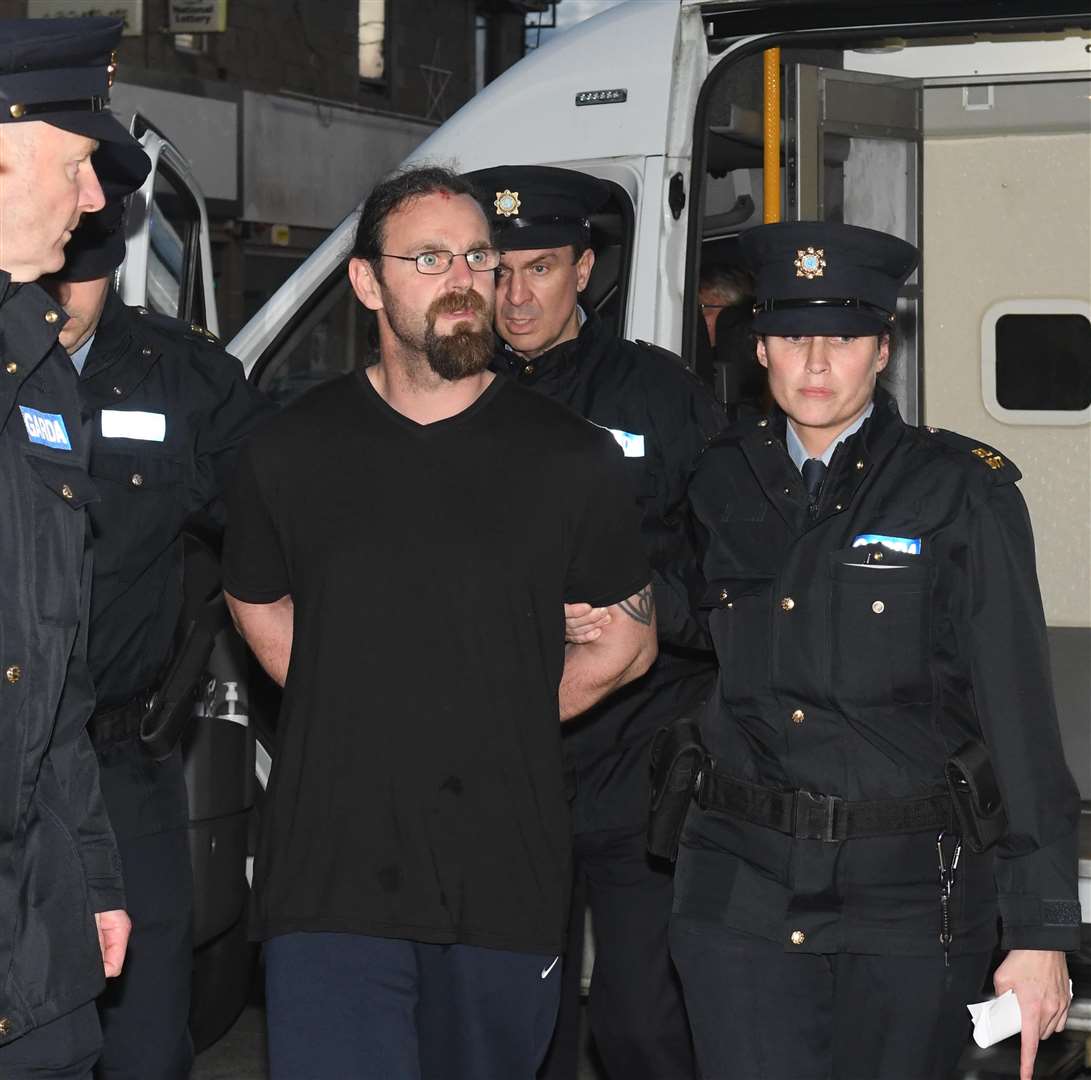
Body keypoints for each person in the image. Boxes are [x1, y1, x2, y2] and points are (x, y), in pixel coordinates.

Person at [221, 165, 658, 1080]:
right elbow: (255, 599)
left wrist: (492, 714)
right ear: (366, 282)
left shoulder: (571, 461)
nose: (465, 279)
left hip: (500, 880)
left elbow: (623, 639)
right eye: (429, 258)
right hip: (328, 882)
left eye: (476, 257)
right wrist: (362, 707)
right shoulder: (286, 451)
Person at [668, 220, 1080, 1080]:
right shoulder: (715, 482)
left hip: (905, 895)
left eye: (844, 338)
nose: (816, 364)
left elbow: (1018, 716)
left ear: (882, 350)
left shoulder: (958, 490)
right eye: (791, 336)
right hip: (737, 883)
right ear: (760, 349)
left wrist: (1039, 932)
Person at [463, 163, 726, 1080]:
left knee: (643, 1027)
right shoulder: (440, 397)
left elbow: (731, 568)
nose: (514, 294)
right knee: (510, 1027)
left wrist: (647, 608)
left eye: (537, 267)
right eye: (494, 270)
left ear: (583, 268)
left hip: (635, 757)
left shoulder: (659, 395)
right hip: (496, 764)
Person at [41, 198, 271, 1080]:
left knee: (143, 1040)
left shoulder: (183, 380)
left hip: (121, 759)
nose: (64, 295)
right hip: (11, 758)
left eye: (82, 271)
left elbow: (286, 530)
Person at [0, 17, 150, 1079]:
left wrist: (93, 873)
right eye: (80, 165)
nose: (98, 202)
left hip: (34, 925)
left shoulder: (43, 377)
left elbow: (55, 670)